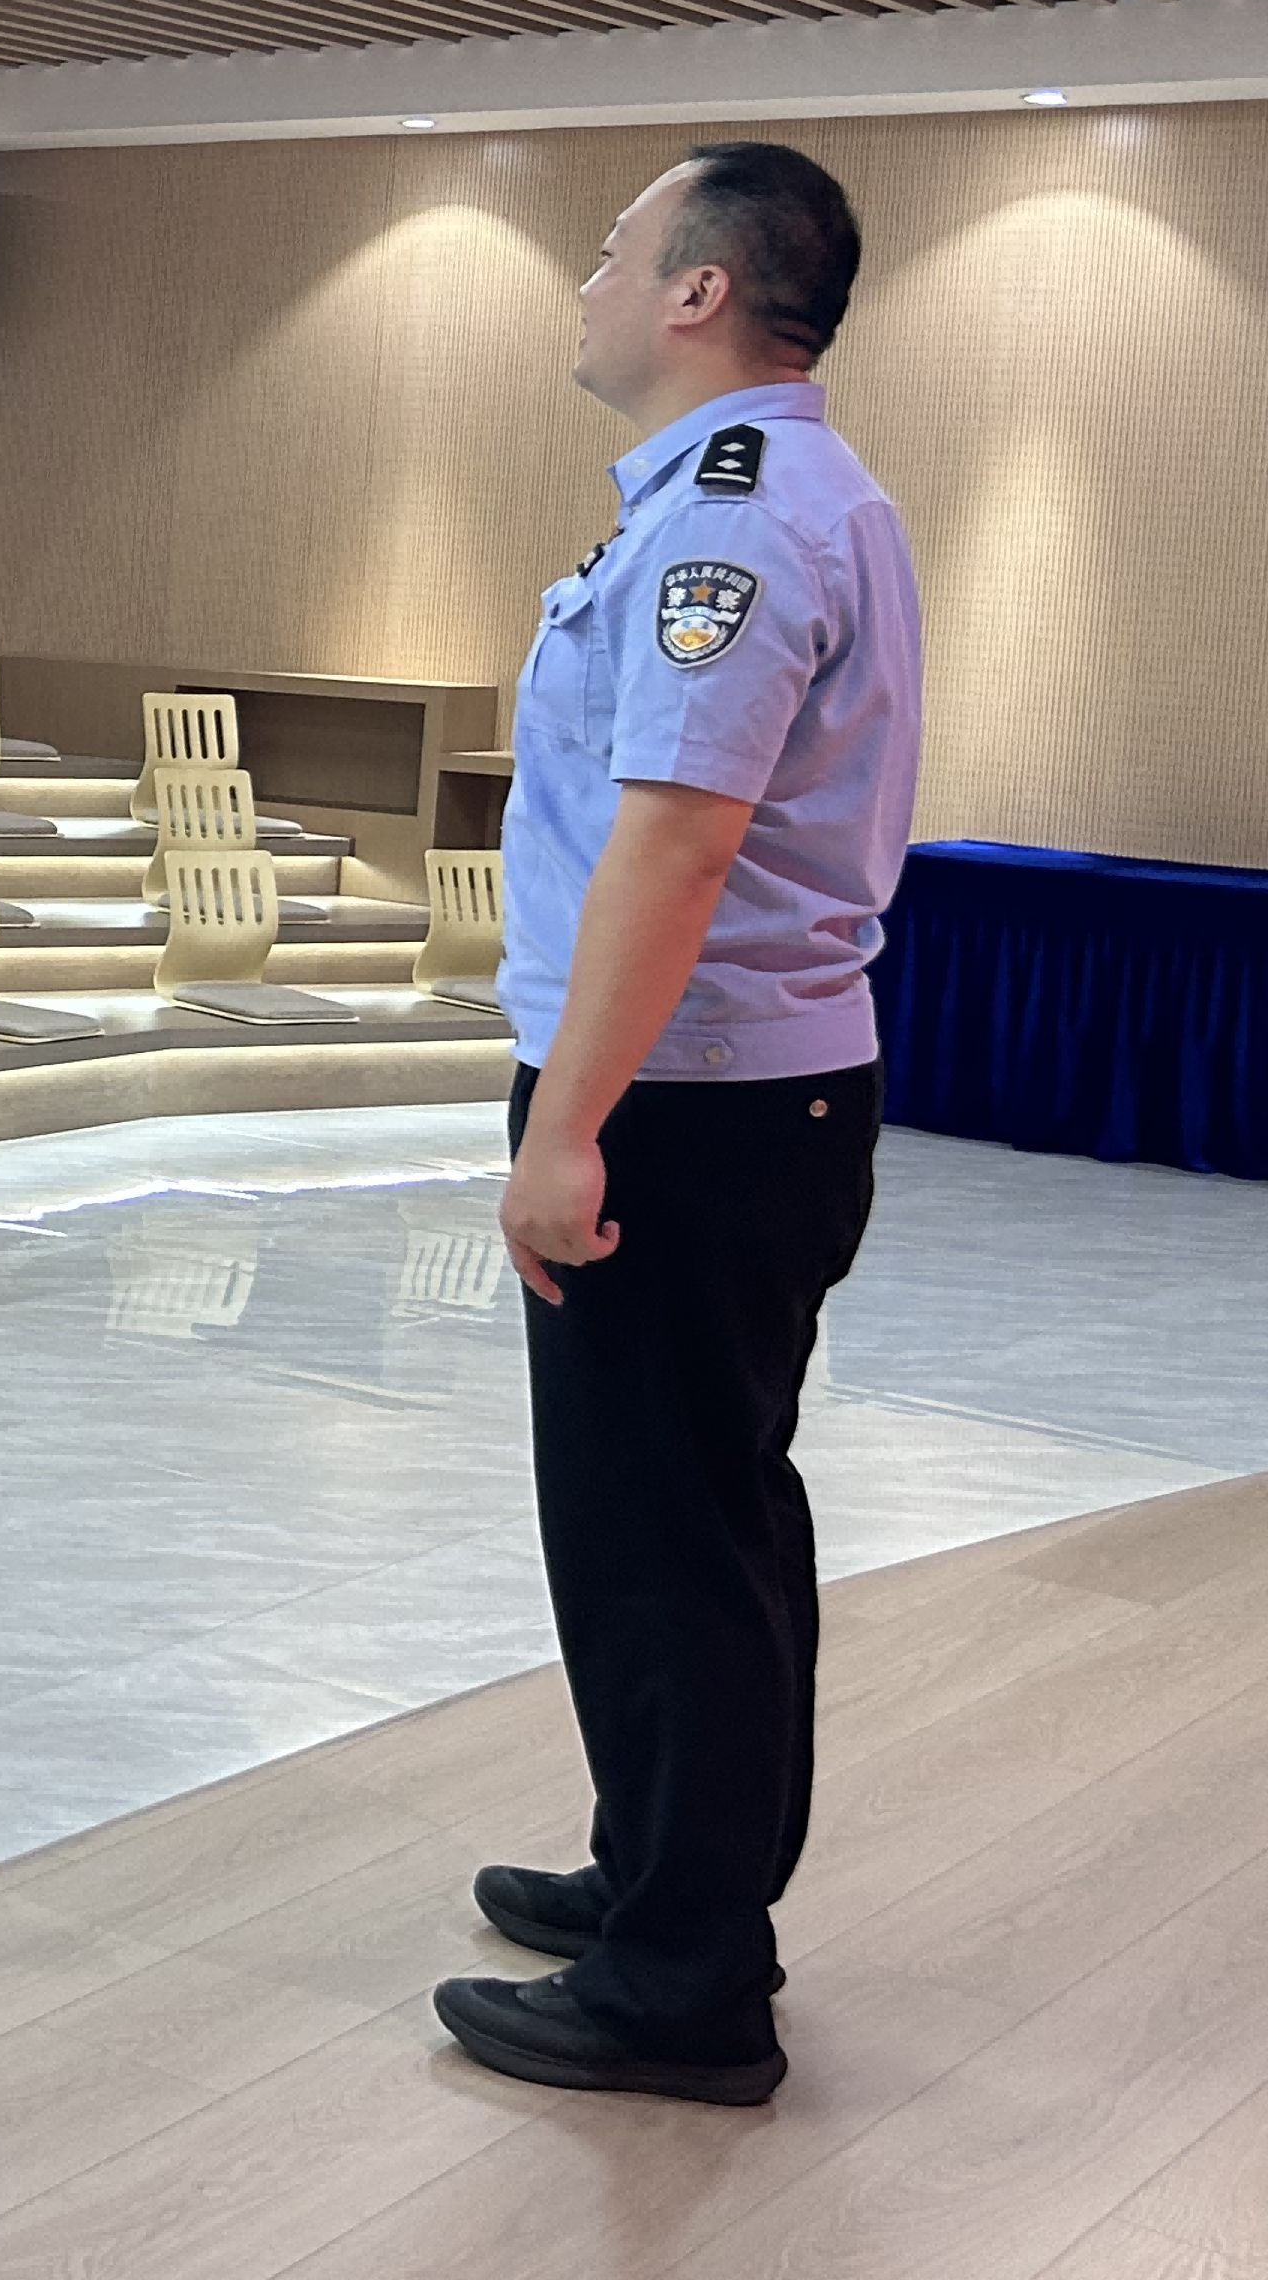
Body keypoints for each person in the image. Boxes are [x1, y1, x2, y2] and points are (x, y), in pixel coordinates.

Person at [438, 141, 921, 2107]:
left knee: (661, 1539)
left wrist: (567, 1128)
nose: (589, 281)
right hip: (733, 1086)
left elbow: (678, 840)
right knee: (705, 1513)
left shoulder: (732, 522)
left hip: (681, 1098)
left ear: (700, 291)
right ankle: (665, 1874)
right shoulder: (783, 492)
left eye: (615, 249)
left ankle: (684, 1980)